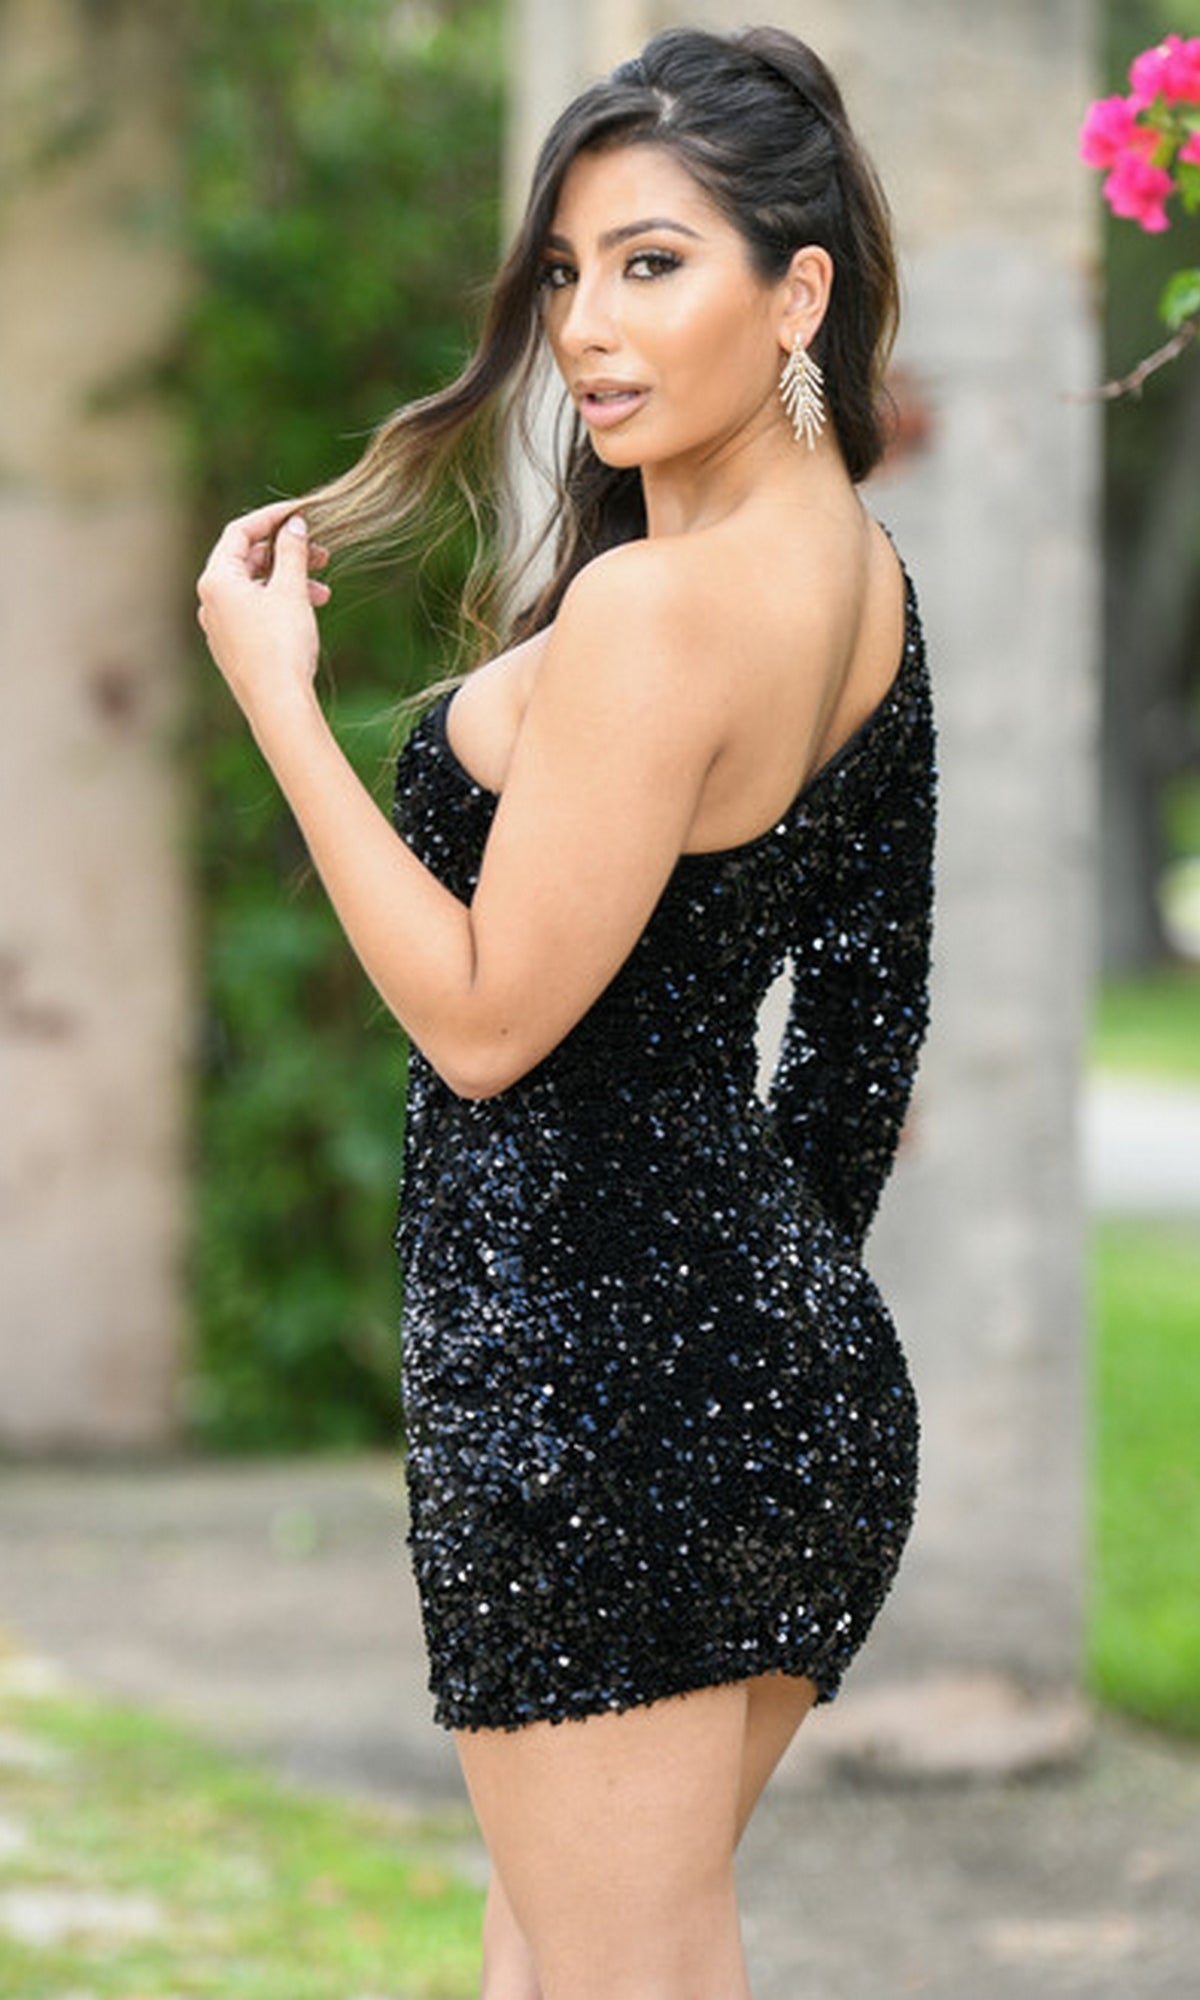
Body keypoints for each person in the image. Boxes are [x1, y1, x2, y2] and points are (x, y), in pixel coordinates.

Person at [197, 24, 936, 1999]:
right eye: (566, 270)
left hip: (594, 1413)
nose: (592, 327)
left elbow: (484, 1022)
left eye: (655, 263)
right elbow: (865, 1038)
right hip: (786, 1392)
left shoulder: (657, 613)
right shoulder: (862, 581)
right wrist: (775, 1350)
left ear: (799, 292)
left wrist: (277, 695)